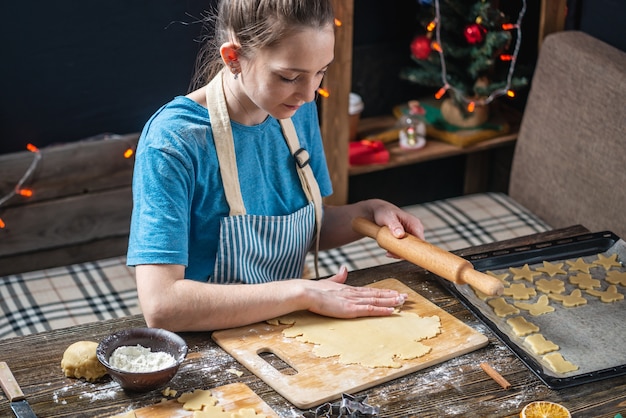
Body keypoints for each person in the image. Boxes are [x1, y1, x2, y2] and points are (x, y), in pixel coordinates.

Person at [127, 0, 425, 332]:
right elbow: (163, 306)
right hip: (212, 342)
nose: (309, 94)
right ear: (234, 58)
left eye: (321, 72)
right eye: (288, 77)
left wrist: (369, 213)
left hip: (291, 323)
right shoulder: (174, 140)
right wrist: (301, 292)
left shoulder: (296, 110)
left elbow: (303, 231)